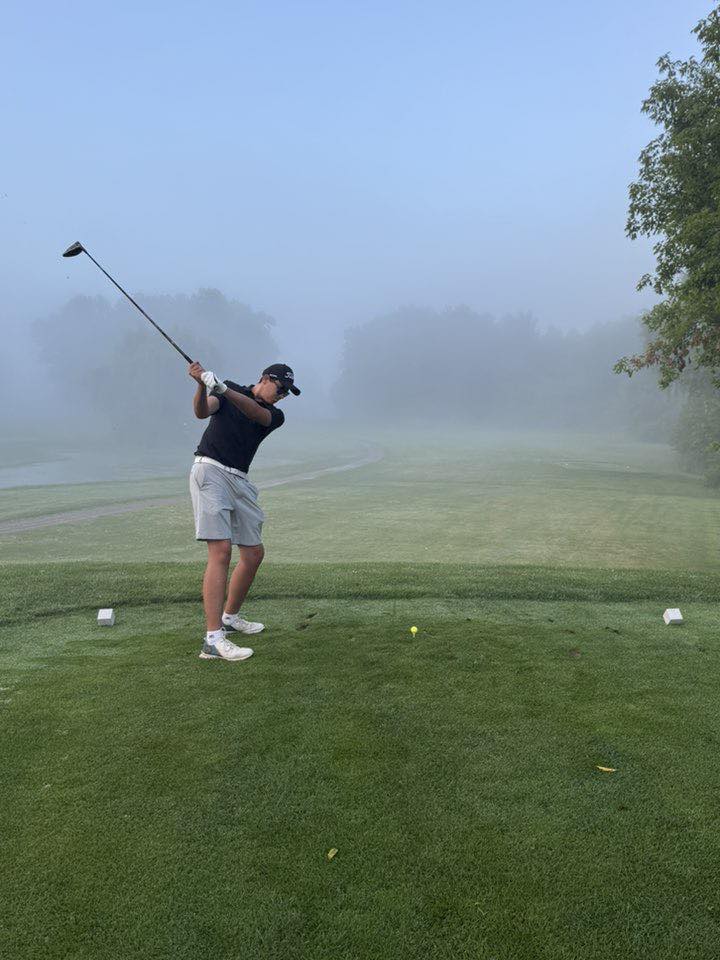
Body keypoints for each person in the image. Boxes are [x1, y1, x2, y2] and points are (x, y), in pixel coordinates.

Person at [187, 361, 301, 661]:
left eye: (286, 393)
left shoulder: (275, 415)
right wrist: (202, 384)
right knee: (221, 551)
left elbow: (256, 413)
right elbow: (201, 412)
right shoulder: (231, 391)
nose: (281, 396)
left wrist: (221, 387)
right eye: (280, 389)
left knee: (253, 554)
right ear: (265, 378)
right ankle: (213, 639)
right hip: (210, 471)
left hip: (239, 479)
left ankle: (229, 617)